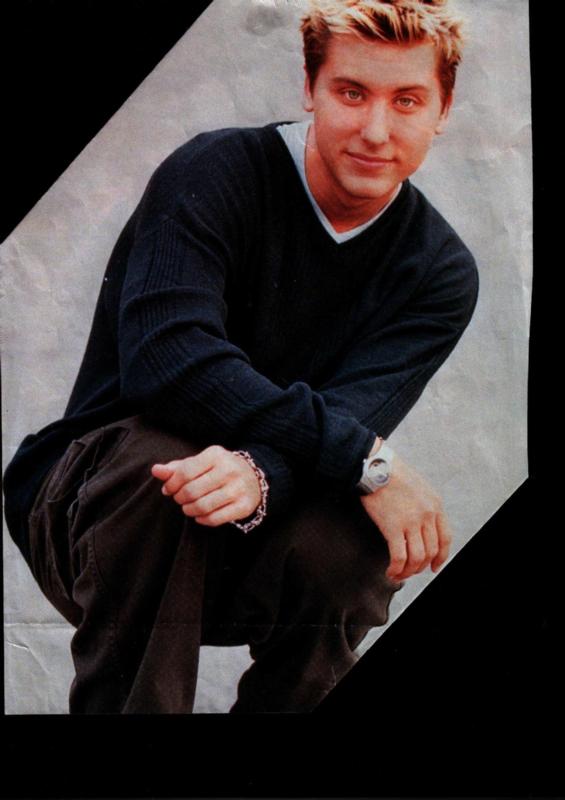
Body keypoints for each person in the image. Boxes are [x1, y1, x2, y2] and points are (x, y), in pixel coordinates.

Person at [3, 0, 478, 714]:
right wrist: (369, 460)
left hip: (251, 537)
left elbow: (350, 417)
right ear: (309, 89)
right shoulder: (218, 169)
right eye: (351, 93)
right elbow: (168, 361)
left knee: (357, 536)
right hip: (96, 511)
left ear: (443, 110)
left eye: (406, 100)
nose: (376, 130)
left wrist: (267, 471)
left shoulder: (438, 271)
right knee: (166, 464)